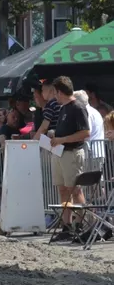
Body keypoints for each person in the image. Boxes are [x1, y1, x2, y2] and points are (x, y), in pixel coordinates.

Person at [49, 76, 90, 242]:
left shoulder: (77, 107)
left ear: (60, 92)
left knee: (75, 189)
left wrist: (62, 139)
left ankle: (82, 224)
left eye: (55, 93)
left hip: (72, 153)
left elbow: (85, 133)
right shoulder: (64, 108)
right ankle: (67, 225)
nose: (54, 96)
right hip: (60, 153)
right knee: (63, 189)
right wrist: (55, 137)